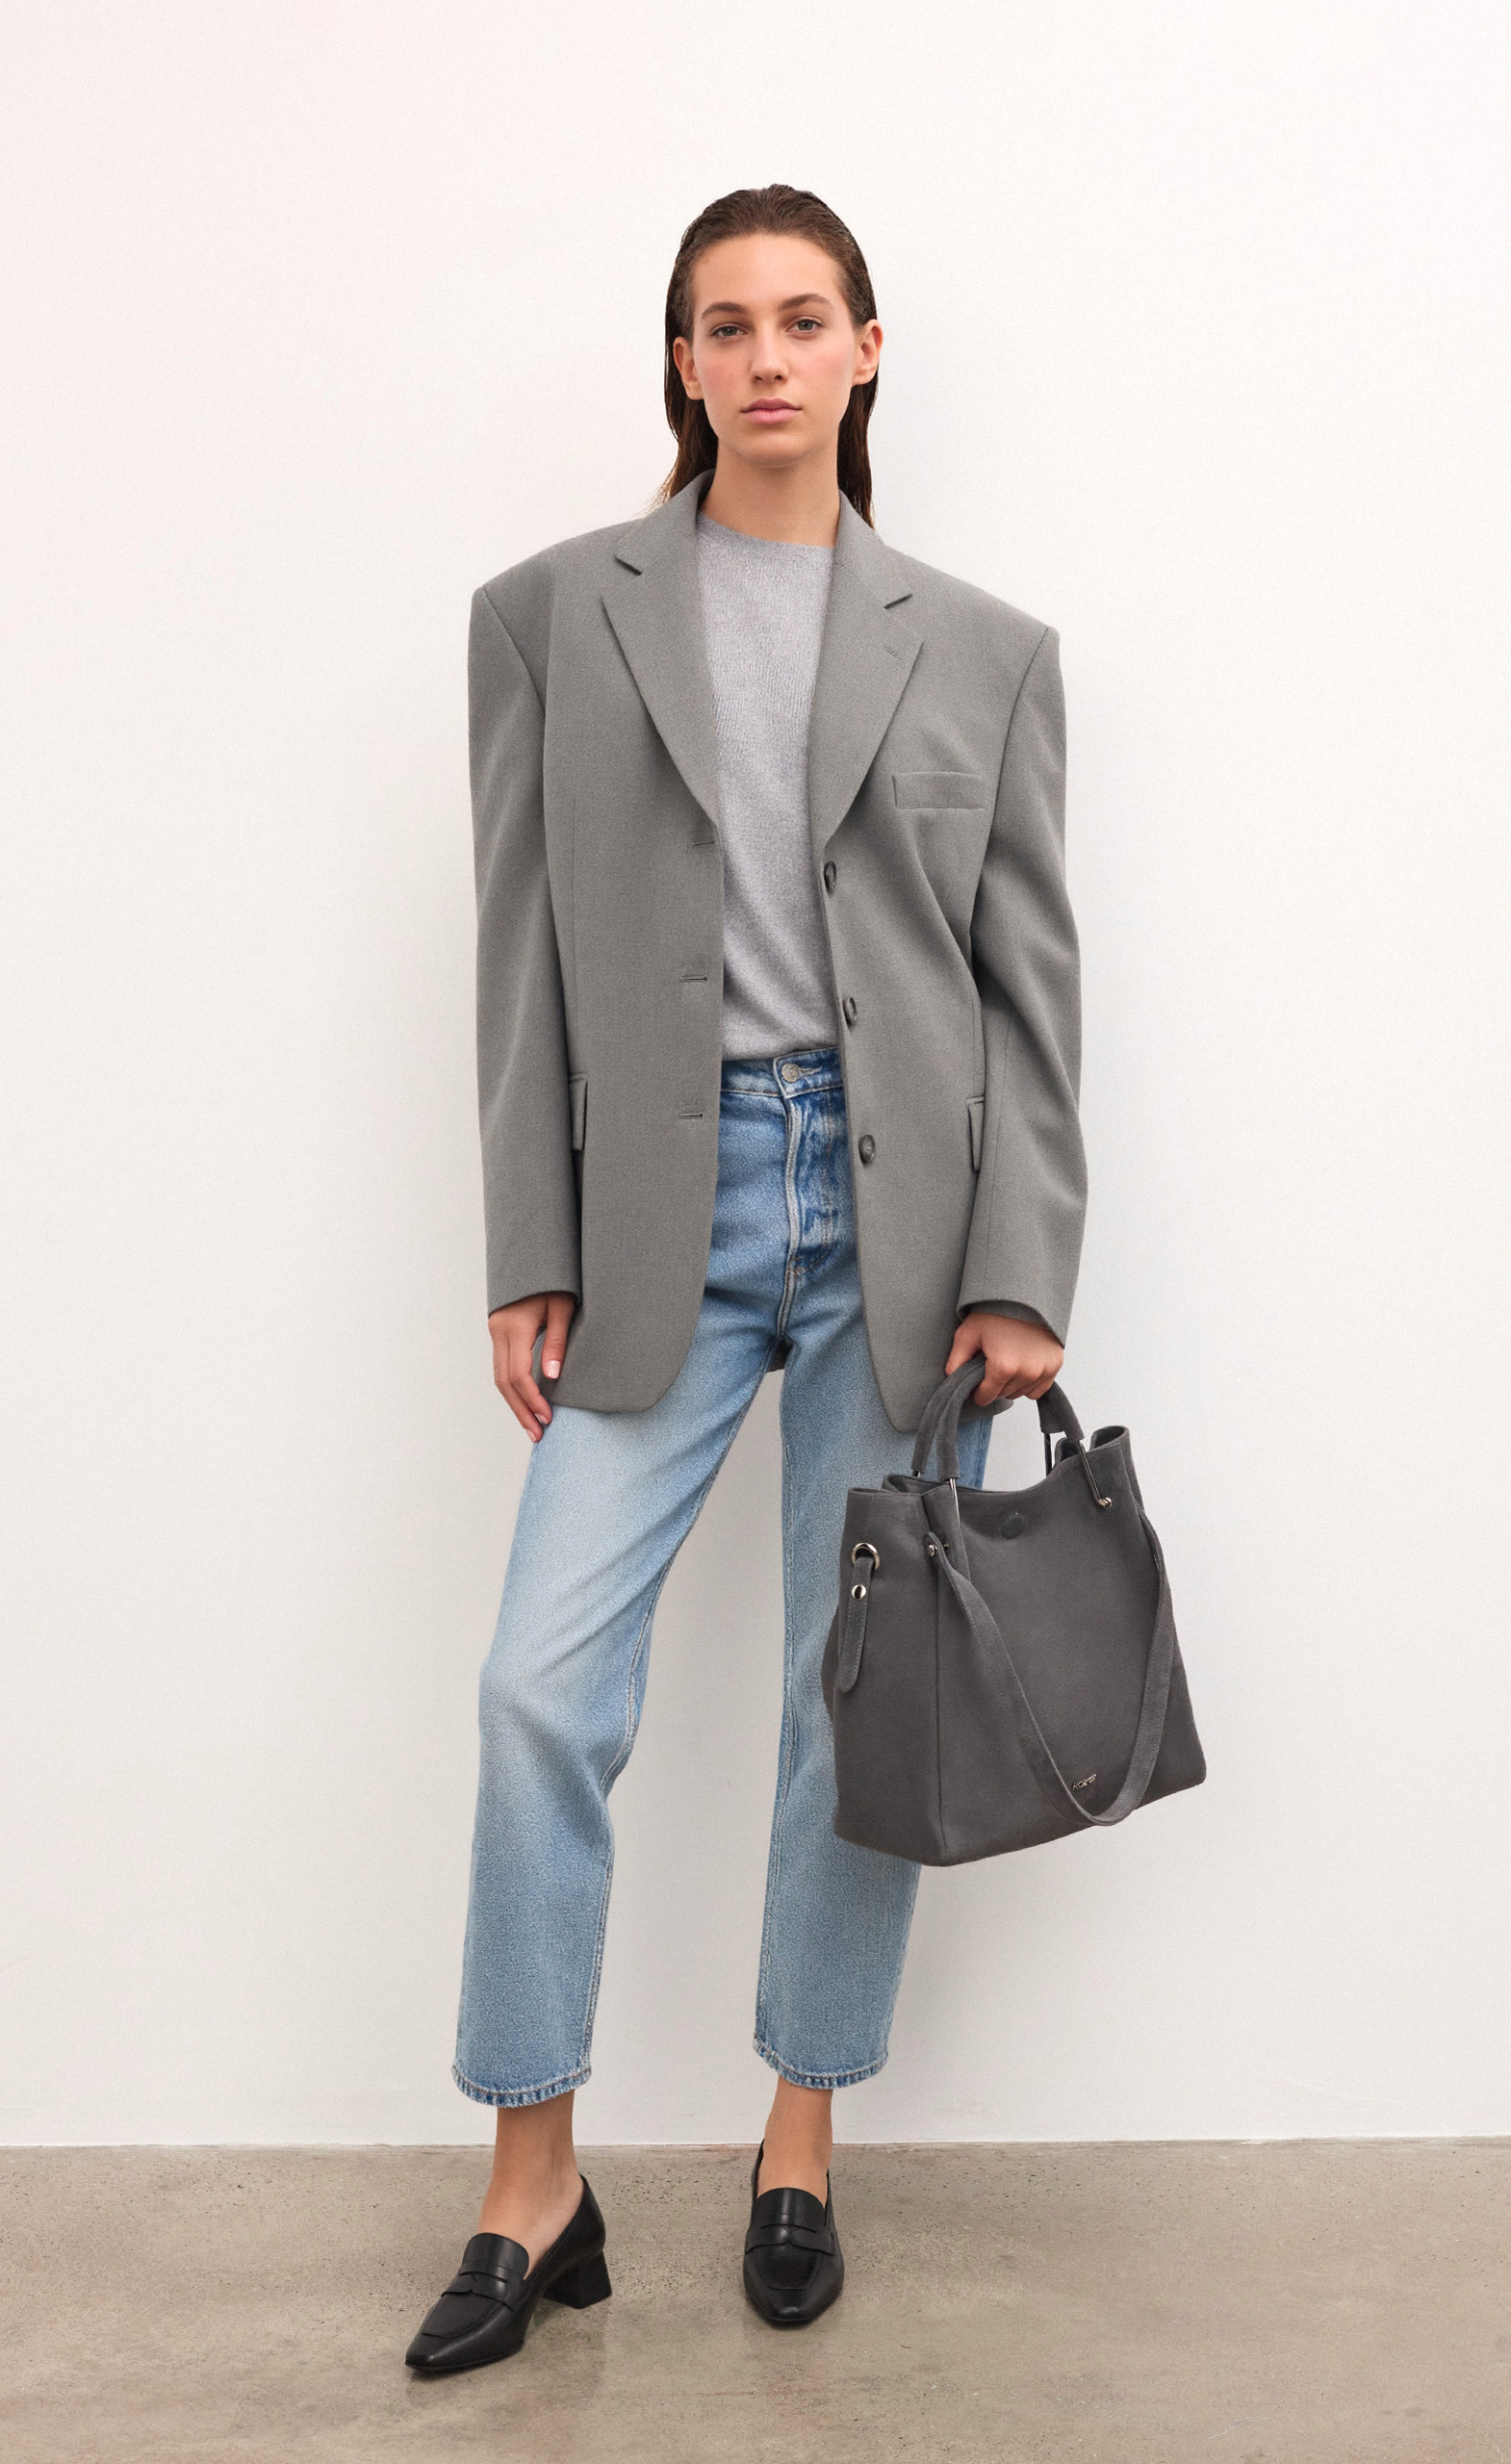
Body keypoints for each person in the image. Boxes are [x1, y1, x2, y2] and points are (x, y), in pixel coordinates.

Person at [406, 184, 1086, 2374]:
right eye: (726, 324)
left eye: (805, 319)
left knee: (844, 1697)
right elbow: (517, 953)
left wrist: (1022, 1265)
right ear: (683, 362)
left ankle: (800, 2138)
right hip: (659, 1216)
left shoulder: (983, 648)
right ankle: (535, 2173)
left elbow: (1027, 991)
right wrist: (528, 1242)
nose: (767, 356)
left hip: (899, 1225)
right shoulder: (553, 614)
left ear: (867, 350)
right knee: (540, 1689)